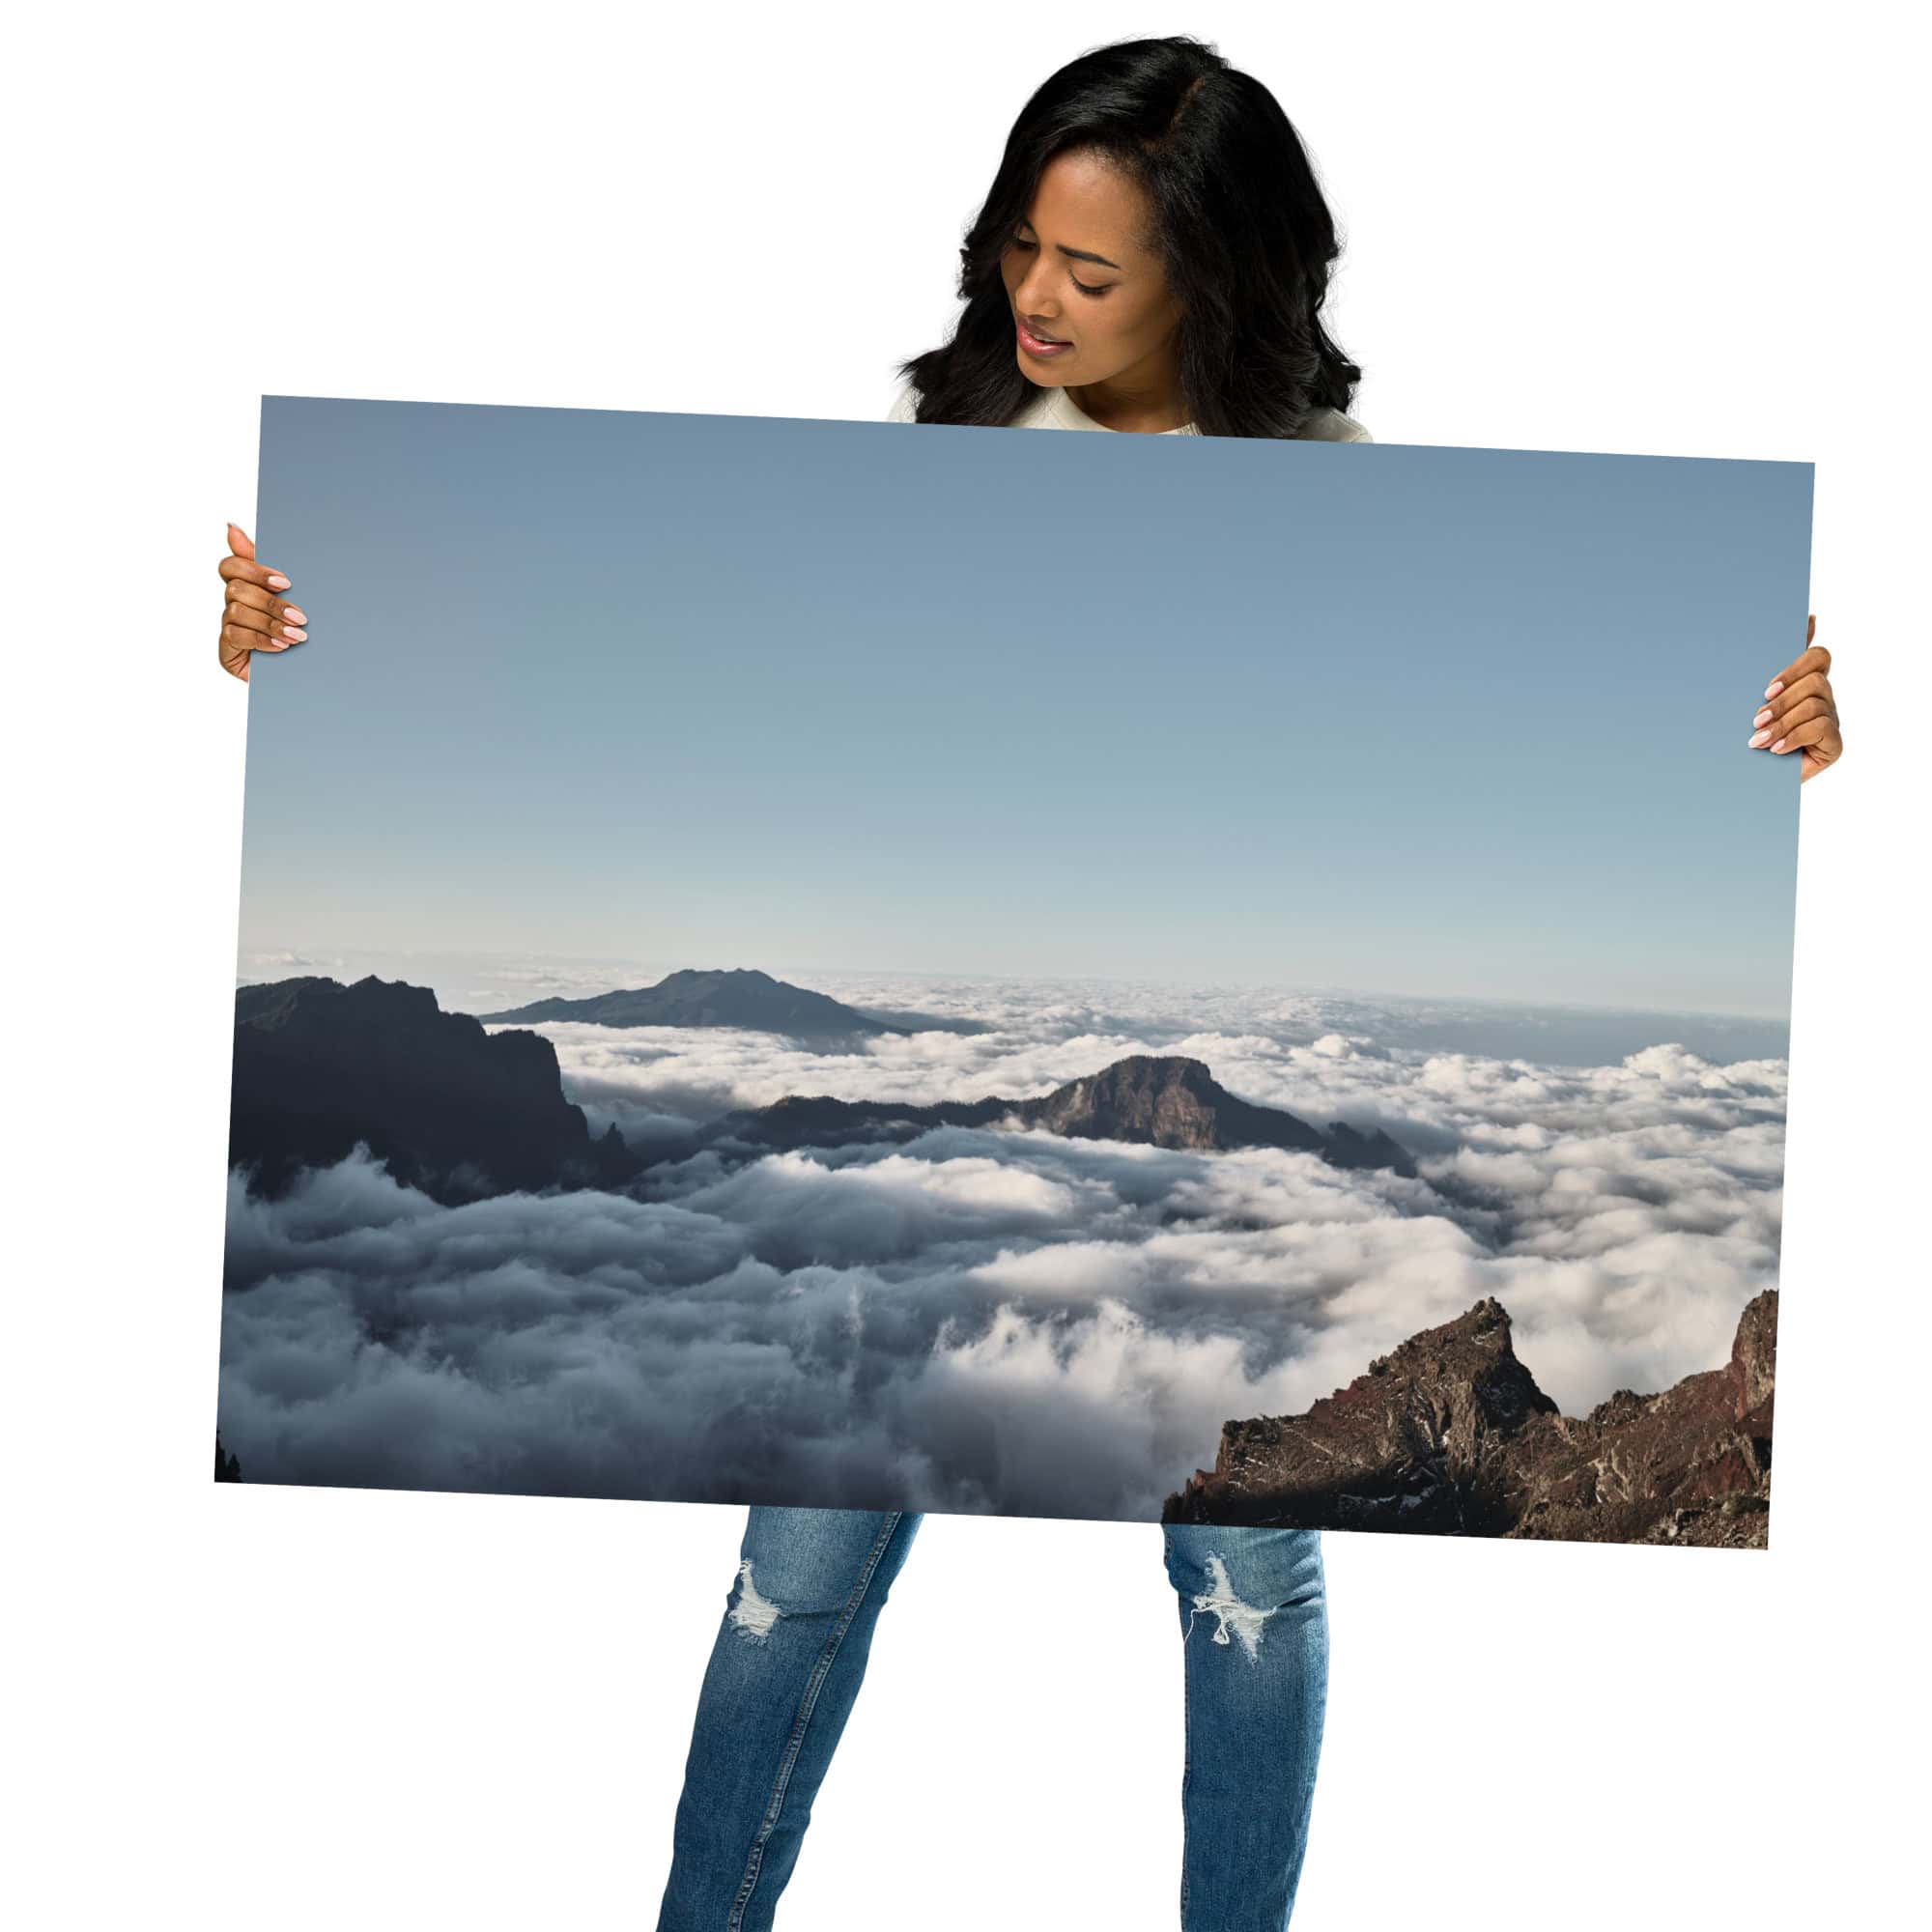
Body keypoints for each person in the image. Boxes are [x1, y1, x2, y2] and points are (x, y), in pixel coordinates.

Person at [211, 34, 1845, 1932]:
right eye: (1019, 250)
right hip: (958, 1218)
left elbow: (1508, 703)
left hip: (1217, 1068)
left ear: (1217, 279)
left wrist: (1800, 732)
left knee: (1247, 1579)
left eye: (1094, 271)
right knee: (798, 1564)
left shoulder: (1347, 492)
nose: (1037, 302)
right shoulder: (955, 454)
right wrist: (262, 639)